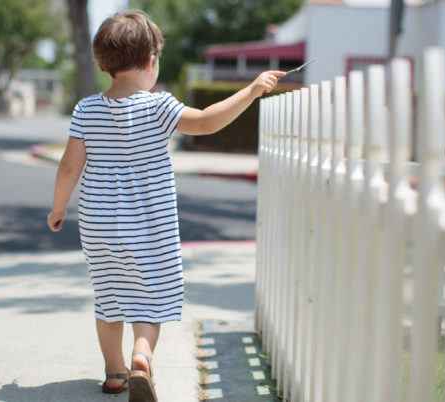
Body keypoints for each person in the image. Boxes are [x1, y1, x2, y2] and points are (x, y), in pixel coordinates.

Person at [47, 10, 284, 402]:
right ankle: (142, 356)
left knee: (108, 297)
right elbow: (207, 121)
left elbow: (71, 164)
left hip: (98, 224)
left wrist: (58, 208)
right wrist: (252, 90)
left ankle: (113, 374)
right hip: (148, 226)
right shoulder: (158, 107)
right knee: (152, 294)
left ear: (105, 64)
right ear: (149, 61)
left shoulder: (86, 109)